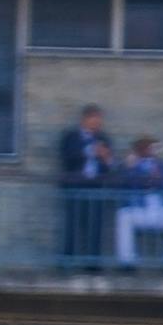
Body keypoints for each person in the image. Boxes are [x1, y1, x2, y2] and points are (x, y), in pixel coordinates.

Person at [56, 104, 116, 266]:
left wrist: (106, 157)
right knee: (73, 223)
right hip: (75, 186)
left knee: (95, 224)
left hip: (96, 187)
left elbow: (110, 166)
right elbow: (67, 157)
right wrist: (90, 152)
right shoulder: (71, 136)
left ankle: (93, 263)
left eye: (99, 120)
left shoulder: (104, 139)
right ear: (85, 119)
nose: (98, 123)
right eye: (95, 119)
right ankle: (67, 260)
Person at [115, 140, 163, 269]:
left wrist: (158, 178)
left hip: (160, 206)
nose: (149, 151)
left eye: (152, 148)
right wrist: (131, 169)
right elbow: (125, 183)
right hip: (140, 206)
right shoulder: (130, 165)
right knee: (124, 216)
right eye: (145, 148)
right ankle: (127, 261)